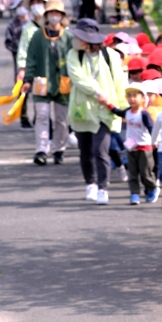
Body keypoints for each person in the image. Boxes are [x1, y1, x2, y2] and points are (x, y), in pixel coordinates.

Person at [67, 17, 127, 205]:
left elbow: (120, 81)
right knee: (85, 150)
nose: (75, 40)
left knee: (100, 149)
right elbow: (78, 78)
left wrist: (124, 107)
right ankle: (90, 184)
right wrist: (97, 91)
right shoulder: (73, 55)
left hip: (104, 110)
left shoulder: (111, 56)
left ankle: (103, 187)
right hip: (82, 110)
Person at [22, 0, 73, 165]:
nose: (54, 16)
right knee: (42, 116)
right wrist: (27, 79)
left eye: (57, 13)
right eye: (51, 13)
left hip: (63, 82)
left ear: (62, 15)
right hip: (41, 81)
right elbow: (31, 58)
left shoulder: (69, 37)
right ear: (46, 15)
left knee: (61, 119)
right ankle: (41, 149)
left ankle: (59, 149)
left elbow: (75, 61)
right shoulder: (38, 35)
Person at [108, 85, 159, 205]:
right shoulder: (128, 112)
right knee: (132, 173)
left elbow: (151, 128)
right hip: (131, 148)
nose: (132, 99)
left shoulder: (144, 114)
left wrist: (155, 141)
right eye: (129, 96)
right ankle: (134, 194)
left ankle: (152, 188)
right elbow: (118, 112)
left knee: (146, 173)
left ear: (142, 98)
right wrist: (108, 104)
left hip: (145, 148)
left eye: (135, 96)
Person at [16, 0, 49, 128]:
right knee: (33, 92)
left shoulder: (50, 25)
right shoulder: (28, 28)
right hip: (32, 66)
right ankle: (34, 120)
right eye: (34, 3)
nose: (37, 6)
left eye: (39, 2)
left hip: (48, 65)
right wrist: (22, 69)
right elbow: (23, 49)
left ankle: (42, 120)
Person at [4, 0, 29, 79]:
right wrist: (19, 49)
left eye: (24, 5)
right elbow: (8, 42)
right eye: (20, 5)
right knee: (19, 77)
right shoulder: (12, 24)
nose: (22, 7)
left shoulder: (32, 22)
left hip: (33, 55)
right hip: (18, 56)